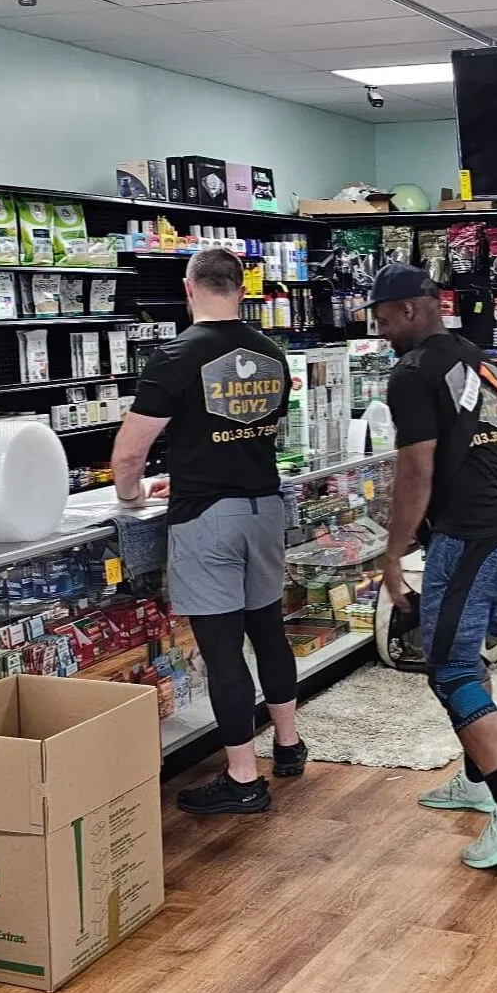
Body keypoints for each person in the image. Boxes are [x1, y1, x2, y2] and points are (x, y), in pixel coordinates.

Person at [372, 262, 497, 870]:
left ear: (407, 310)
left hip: (471, 534)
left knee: (449, 666)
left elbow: (415, 472)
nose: (382, 334)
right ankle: (477, 783)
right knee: (465, 654)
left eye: (382, 321)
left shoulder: (411, 373)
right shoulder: (473, 355)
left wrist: (393, 552)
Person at [111, 247, 306, 815]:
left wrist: (130, 497)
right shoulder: (273, 353)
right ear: (242, 289)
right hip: (264, 508)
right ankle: (288, 748)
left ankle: (243, 780)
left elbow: (129, 453)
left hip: (207, 520)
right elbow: (241, 435)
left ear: (188, 286)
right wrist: (190, 470)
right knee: (268, 630)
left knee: (223, 651)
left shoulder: (176, 355)